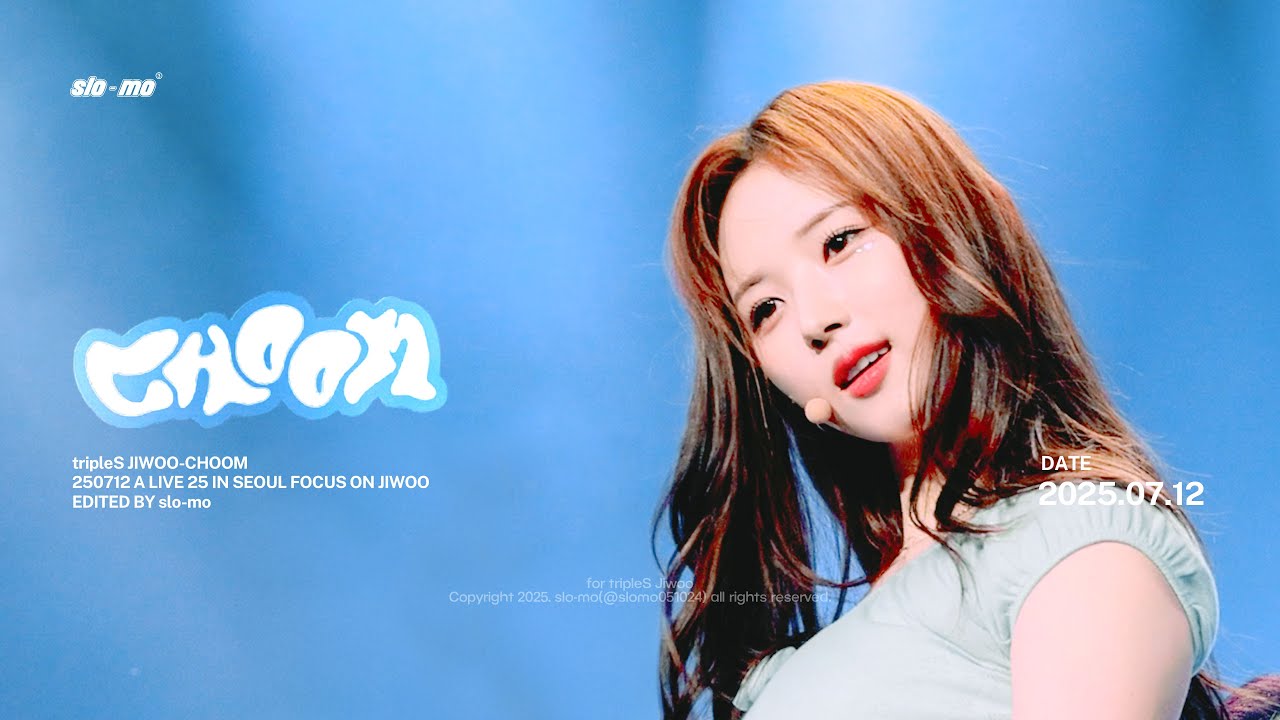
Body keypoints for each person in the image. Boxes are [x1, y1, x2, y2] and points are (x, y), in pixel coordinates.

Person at [654, 81, 1279, 719]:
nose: (814, 320)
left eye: (839, 241)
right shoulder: (811, 656)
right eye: (766, 308)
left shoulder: (1076, 539)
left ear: (950, 225)